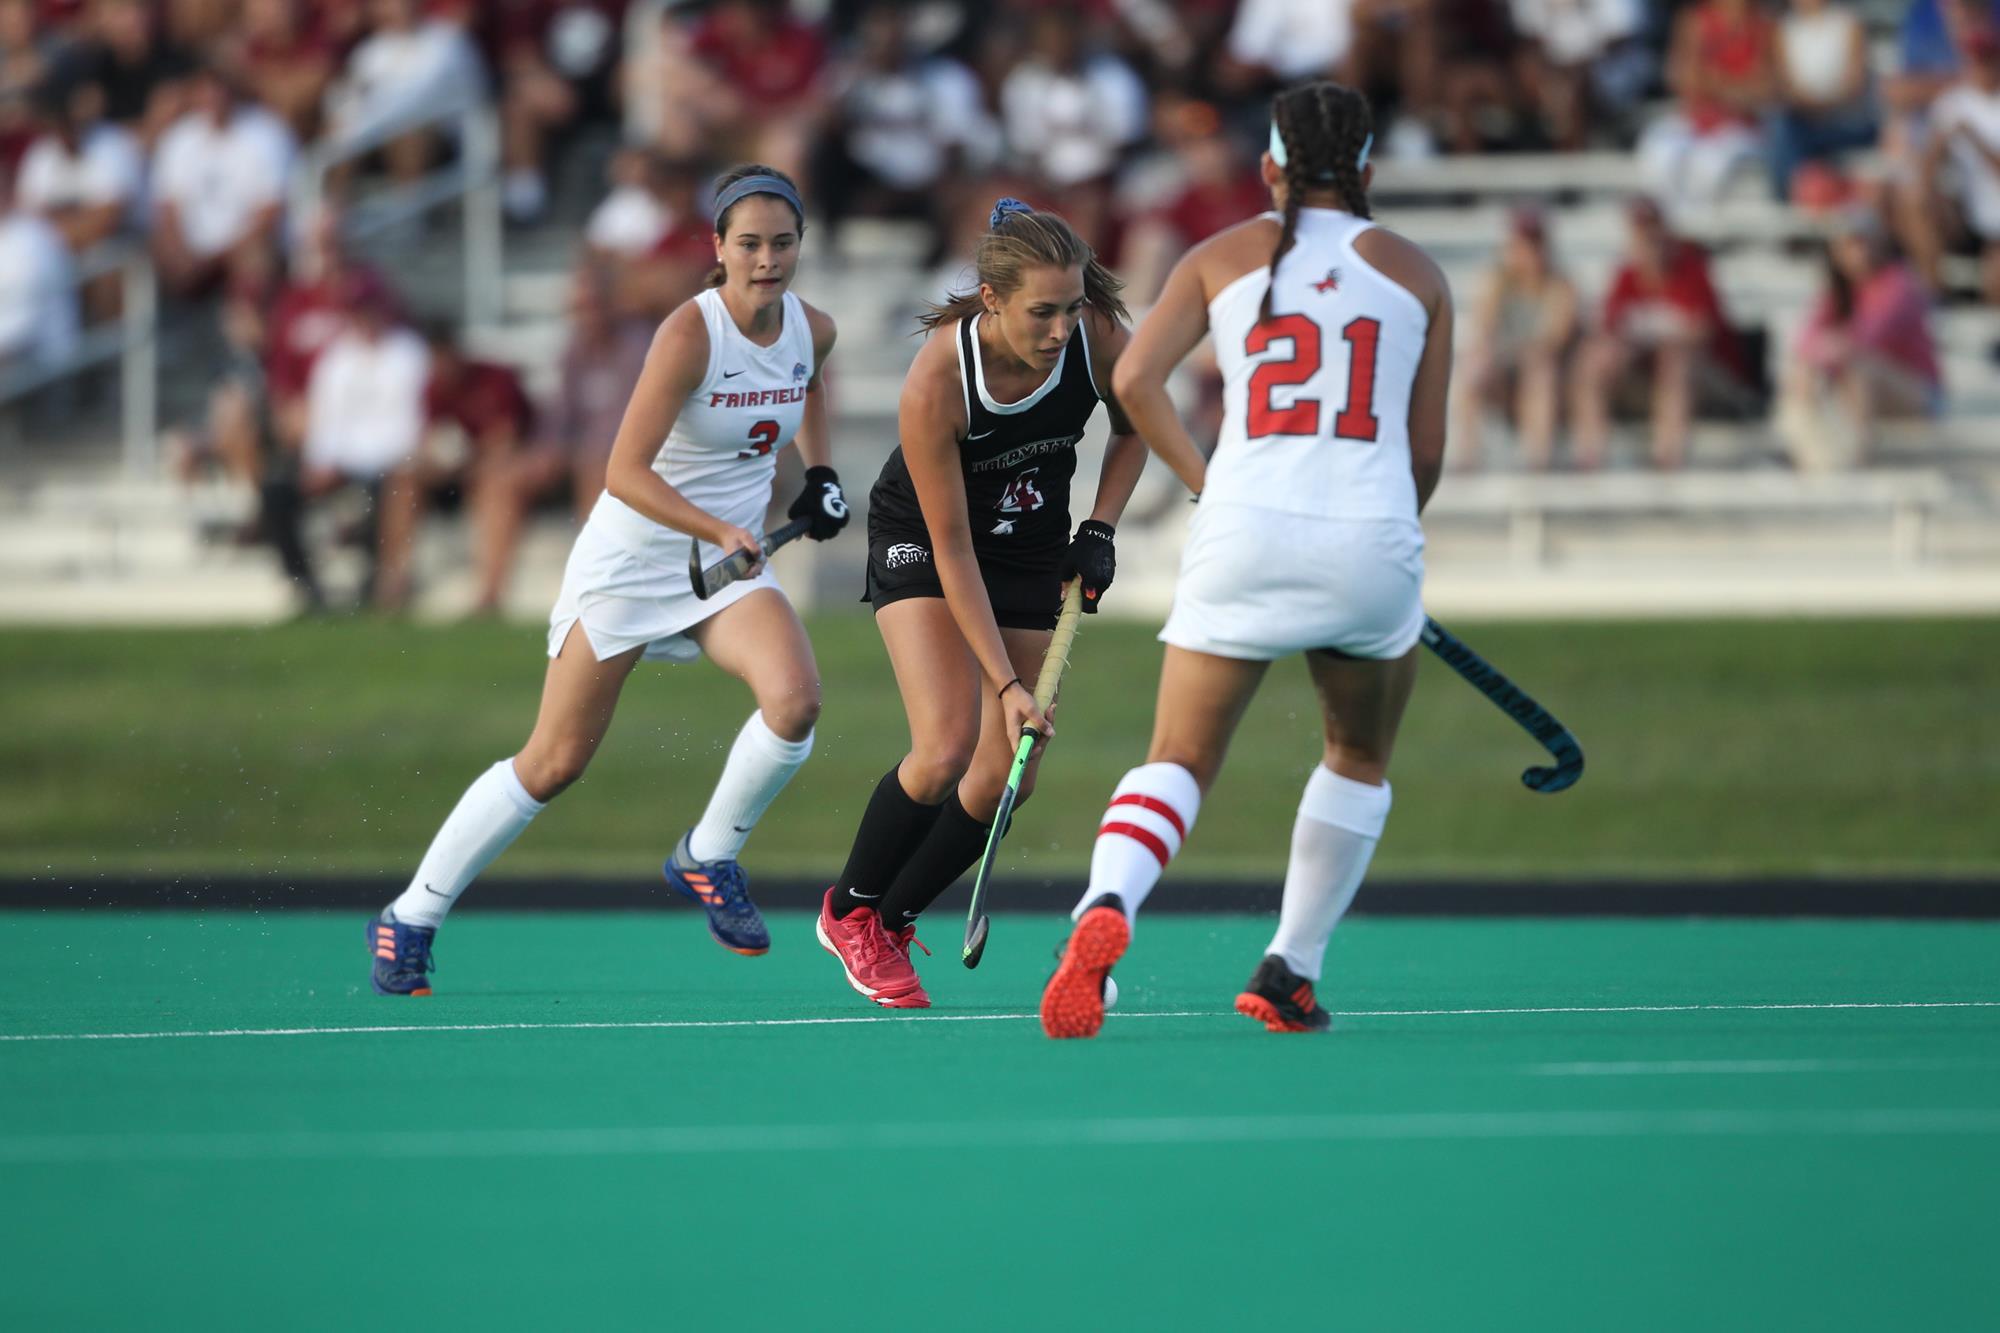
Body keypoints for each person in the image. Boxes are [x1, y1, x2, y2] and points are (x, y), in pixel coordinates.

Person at [368, 165, 850, 995]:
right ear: (718, 249)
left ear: (800, 245)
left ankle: (708, 854)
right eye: (749, 245)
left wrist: (820, 471)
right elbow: (623, 472)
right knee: (553, 761)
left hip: (724, 573)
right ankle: (411, 914)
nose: (766, 259)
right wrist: (717, 527)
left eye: (781, 243)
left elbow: (812, 385)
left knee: (796, 698)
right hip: (633, 560)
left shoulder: (813, 328)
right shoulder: (688, 336)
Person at [1037, 81, 1451, 1039]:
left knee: (1178, 755)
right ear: (1370, 172)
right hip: (1371, 538)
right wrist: (1383, 543)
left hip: (1243, 526)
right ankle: (1289, 968)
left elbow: (1134, 379)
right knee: (1356, 756)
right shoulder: (1416, 271)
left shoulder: (1220, 256)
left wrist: (1205, 480)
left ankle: (1107, 903)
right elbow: (1424, 454)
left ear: (1269, 170)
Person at [815, 198, 1146, 1010]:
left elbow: (1139, 425)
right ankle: (848, 909)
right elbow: (954, 550)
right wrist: (1006, 684)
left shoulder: (1096, 335)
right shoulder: (937, 383)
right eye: (1044, 311)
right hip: (930, 538)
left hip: (1033, 542)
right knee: (947, 743)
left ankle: (890, 921)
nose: (1063, 328)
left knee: (1011, 774)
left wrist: (1100, 526)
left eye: (1072, 307)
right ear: (992, 300)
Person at [1569, 198, 1750, 470]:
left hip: (1709, 381)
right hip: (1648, 384)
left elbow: (1703, 332)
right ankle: (1589, 464)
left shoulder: (1693, 271)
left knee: (1674, 358)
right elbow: (1608, 334)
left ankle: (1667, 467)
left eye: (1653, 233)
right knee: (1595, 360)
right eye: (1641, 234)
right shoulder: (1626, 279)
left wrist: (1651, 339)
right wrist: (1630, 347)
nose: (1648, 242)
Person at [1777, 211, 1942, 471]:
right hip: (1860, 383)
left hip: (1919, 393)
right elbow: (1805, 341)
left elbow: (1868, 337)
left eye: (1862, 242)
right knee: (1804, 370)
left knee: (1859, 369)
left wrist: (1824, 351)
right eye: (1849, 244)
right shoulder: (1838, 292)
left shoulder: (1900, 285)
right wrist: (1816, 360)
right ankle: (1806, 455)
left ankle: (1854, 458)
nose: (1857, 252)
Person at [1452, 207, 1578, 470]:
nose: (1528, 253)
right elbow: (1483, 330)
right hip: (1505, 374)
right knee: (1473, 366)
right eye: (1522, 245)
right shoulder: (1496, 281)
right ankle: (1466, 455)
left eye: (1533, 245)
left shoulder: (1559, 286)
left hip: (1549, 379)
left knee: (1539, 369)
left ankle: (1537, 461)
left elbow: (1554, 341)